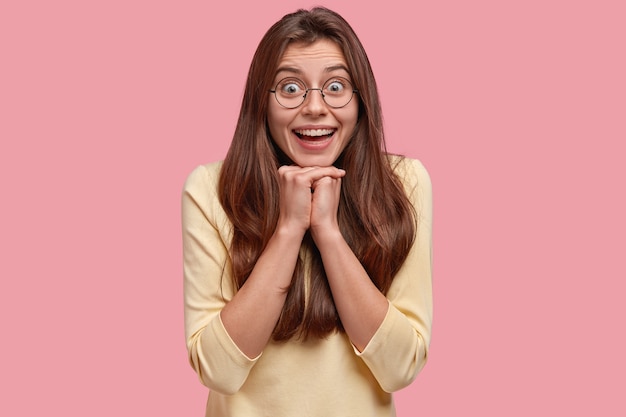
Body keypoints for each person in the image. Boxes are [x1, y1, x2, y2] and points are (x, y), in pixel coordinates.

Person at [182, 6, 432, 416]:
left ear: (360, 100)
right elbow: (219, 372)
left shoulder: (404, 183)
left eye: (335, 86)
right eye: (291, 88)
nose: (315, 108)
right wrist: (289, 229)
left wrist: (328, 234)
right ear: (260, 103)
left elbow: (400, 367)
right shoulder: (210, 190)